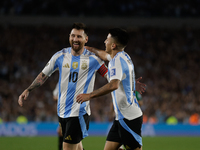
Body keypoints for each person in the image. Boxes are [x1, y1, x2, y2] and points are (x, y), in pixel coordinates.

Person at [18, 22, 108, 150]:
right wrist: (28, 89)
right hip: (62, 113)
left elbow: (112, 79)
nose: (75, 39)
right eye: (73, 36)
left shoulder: (94, 60)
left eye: (79, 36)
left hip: (78, 113)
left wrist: (129, 81)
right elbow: (43, 75)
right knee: (77, 147)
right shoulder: (60, 56)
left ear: (86, 39)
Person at [76, 28, 144, 150]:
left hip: (129, 118)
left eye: (107, 39)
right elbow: (104, 55)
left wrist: (89, 95)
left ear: (113, 45)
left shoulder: (117, 61)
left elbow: (114, 85)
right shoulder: (122, 56)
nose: (104, 41)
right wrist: (90, 49)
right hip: (120, 118)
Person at [53, 82, 63, 150]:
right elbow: (54, 97)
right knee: (60, 131)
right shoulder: (60, 83)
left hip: (71, 110)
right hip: (62, 110)